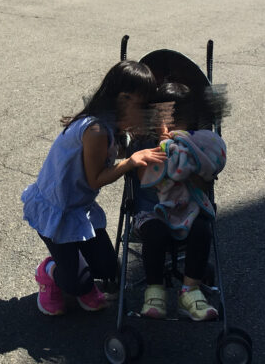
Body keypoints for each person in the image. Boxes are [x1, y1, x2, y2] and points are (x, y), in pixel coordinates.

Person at [21, 60, 165, 316]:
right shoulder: (96, 130)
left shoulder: (111, 124)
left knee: (107, 268)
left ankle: (79, 275)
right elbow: (94, 180)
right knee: (77, 283)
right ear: (123, 98)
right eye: (143, 106)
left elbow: (114, 150)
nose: (147, 113)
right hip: (57, 209)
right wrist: (131, 161)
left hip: (78, 207)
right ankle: (50, 272)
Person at [135, 82, 225, 322]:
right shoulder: (145, 141)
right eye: (166, 119)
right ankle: (155, 290)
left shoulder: (195, 143)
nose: (172, 126)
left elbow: (204, 182)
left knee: (201, 231)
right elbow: (143, 178)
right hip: (152, 210)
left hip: (188, 208)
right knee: (154, 233)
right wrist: (163, 148)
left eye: (178, 120)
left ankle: (190, 290)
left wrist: (185, 160)